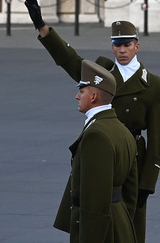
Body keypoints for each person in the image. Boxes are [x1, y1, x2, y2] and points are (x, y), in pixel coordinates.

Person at [25, 0, 160, 243]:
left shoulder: (153, 85)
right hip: (101, 151)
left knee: (129, 230)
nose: (122, 50)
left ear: (137, 46)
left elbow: (156, 139)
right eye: (117, 45)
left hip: (130, 159)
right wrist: (42, 27)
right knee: (94, 217)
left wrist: (148, 183)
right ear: (112, 47)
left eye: (127, 45)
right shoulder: (101, 73)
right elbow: (68, 59)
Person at [54, 59, 138, 243]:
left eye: (81, 91)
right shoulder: (123, 131)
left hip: (101, 232)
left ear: (93, 97)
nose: (77, 96)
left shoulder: (96, 135)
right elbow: (131, 192)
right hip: (120, 224)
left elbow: (94, 200)